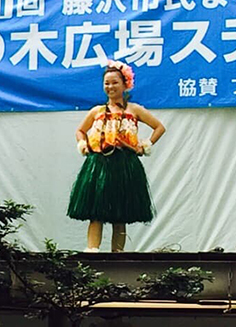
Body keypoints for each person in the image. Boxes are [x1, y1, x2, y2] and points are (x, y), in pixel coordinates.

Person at [67, 60, 166, 252]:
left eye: (114, 82)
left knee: (120, 215)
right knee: (96, 213)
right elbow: (80, 131)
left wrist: (145, 146)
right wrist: (83, 144)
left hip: (124, 163)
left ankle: (117, 256)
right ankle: (92, 252)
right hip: (98, 163)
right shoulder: (97, 111)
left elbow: (159, 127)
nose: (110, 87)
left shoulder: (134, 110)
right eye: (107, 83)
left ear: (124, 84)